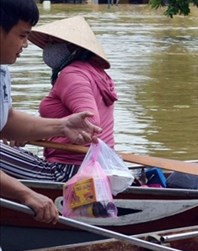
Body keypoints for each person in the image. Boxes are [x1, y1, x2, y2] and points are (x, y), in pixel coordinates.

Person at [0, 0, 101, 224]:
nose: (26, 44)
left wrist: (62, 126)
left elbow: (6, 120)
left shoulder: (2, 71)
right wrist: (25, 194)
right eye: (22, 35)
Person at [0, 15, 117, 183]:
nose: (48, 48)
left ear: (73, 48)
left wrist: (32, 134)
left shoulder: (72, 74)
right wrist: (28, 133)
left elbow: (89, 124)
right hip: (94, 168)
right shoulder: (94, 72)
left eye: (53, 43)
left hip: (69, 171)